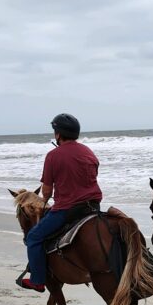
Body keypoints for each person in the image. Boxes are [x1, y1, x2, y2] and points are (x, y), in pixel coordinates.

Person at [17, 113, 103, 293]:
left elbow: (46, 192)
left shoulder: (53, 155)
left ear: (58, 134)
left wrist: (44, 202)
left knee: (34, 237)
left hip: (67, 210)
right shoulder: (89, 152)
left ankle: (38, 281)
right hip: (94, 207)